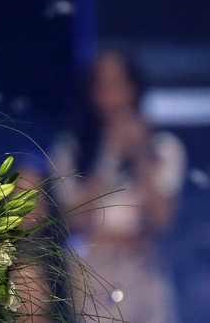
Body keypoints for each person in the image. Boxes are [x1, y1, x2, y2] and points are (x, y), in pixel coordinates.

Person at [51, 51, 186, 322]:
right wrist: (109, 154)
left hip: (144, 269)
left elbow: (161, 220)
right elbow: (74, 220)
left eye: (121, 85)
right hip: (91, 272)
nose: (114, 97)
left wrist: (141, 156)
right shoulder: (70, 150)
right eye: (104, 87)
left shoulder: (164, 148)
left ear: (136, 90)